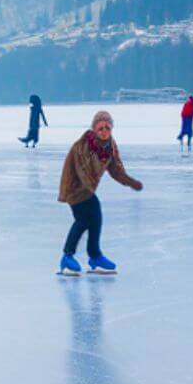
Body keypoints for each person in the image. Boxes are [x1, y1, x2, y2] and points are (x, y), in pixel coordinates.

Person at [56, 109, 142, 275]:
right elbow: (81, 169)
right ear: (94, 129)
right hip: (74, 185)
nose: (104, 132)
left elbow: (116, 170)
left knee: (94, 218)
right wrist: (88, 190)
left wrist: (131, 182)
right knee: (84, 219)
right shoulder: (84, 144)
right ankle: (68, 256)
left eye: (107, 128)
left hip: (87, 189)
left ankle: (94, 256)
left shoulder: (110, 146)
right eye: (100, 128)